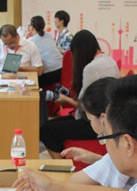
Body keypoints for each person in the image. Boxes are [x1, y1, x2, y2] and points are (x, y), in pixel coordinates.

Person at [40, 29, 120, 158]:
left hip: (95, 123)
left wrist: (65, 99)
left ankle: (62, 165)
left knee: (46, 130)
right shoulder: (110, 61)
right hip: (111, 120)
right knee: (51, 126)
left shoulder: (91, 68)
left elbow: (84, 107)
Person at [28, 15, 63, 88]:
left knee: (31, 79)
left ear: (31, 27)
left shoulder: (31, 41)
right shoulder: (49, 35)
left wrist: (26, 35)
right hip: (61, 69)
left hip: (50, 73)